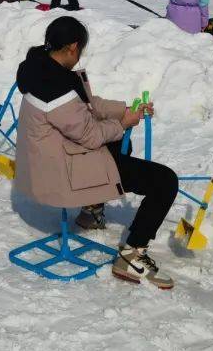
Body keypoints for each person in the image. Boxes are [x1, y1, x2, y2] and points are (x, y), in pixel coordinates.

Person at [14, 16, 180, 288]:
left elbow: (88, 105)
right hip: (60, 172)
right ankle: (132, 255)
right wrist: (123, 123)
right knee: (164, 181)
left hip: (50, 158)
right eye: (81, 50)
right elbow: (90, 135)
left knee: (117, 140)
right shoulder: (55, 88)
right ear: (73, 47)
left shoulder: (45, 68)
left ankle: (92, 210)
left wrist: (125, 111)